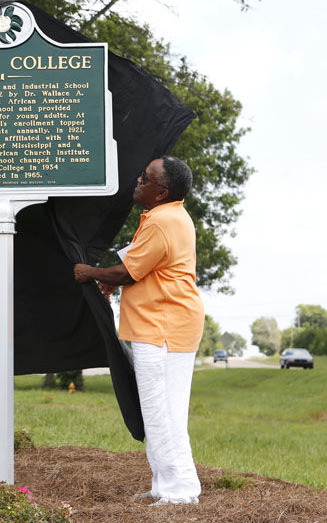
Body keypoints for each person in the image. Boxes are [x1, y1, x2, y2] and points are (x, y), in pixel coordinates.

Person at [73, 156, 204, 505]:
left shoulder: (162, 221)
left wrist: (90, 272)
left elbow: (128, 273)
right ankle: (165, 486)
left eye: (146, 178)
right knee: (161, 411)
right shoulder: (168, 216)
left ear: (161, 193)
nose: (138, 181)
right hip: (166, 325)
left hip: (164, 327)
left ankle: (180, 493)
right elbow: (141, 265)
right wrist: (112, 280)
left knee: (162, 412)